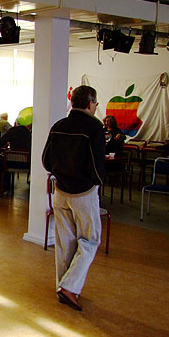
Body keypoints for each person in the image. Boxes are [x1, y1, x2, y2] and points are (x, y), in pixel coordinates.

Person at [42, 85, 105, 312]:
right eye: (95, 103)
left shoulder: (59, 126)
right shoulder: (94, 128)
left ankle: (64, 287)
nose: (95, 107)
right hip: (83, 193)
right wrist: (96, 181)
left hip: (61, 191)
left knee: (65, 242)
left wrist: (62, 174)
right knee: (90, 240)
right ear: (90, 104)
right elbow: (97, 166)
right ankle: (69, 287)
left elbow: (46, 161)